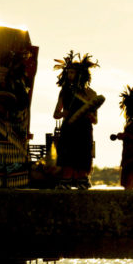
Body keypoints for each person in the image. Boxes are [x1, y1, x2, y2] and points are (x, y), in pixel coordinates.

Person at [0, 49, 34, 188]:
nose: (1, 75)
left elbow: (22, 109)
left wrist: (5, 113)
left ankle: (14, 189)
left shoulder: (18, 86)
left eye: (4, 72)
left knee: (14, 167)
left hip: (14, 134)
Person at [53, 51, 104, 190]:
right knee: (67, 156)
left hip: (84, 129)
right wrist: (64, 113)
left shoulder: (91, 94)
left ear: (80, 74)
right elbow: (55, 114)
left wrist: (90, 116)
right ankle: (66, 180)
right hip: (69, 128)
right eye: (68, 72)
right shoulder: (64, 91)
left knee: (83, 157)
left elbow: (95, 120)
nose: (70, 75)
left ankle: (82, 180)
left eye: (72, 73)